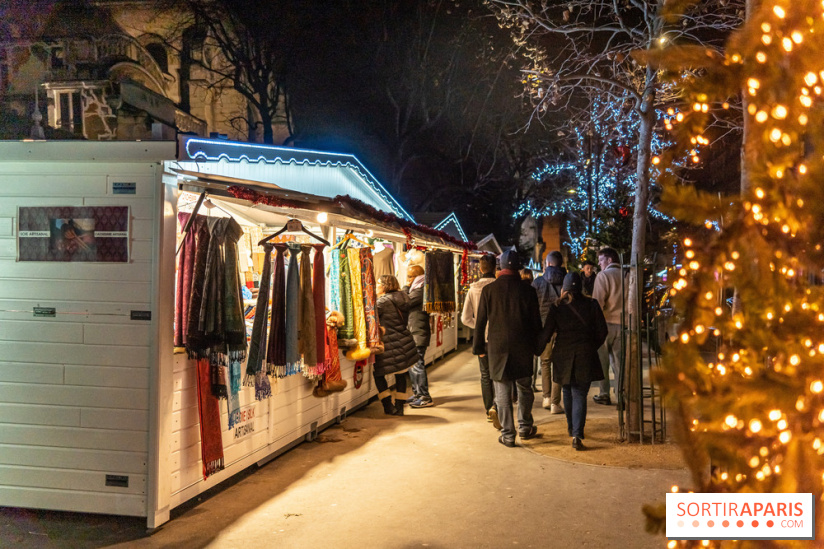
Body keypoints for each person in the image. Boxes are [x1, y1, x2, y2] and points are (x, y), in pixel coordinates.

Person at [472, 250, 542, 447]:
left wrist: (478, 348)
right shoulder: (528, 291)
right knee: (524, 387)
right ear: (518, 267)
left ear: (499, 267)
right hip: (523, 346)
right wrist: (537, 347)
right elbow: (536, 324)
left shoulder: (489, 290)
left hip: (497, 347)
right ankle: (525, 427)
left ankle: (508, 434)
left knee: (502, 390)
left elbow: (480, 323)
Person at [538, 272, 607, 450]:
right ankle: (577, 435)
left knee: (567, 391)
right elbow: (602, 331)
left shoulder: (556, 307)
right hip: (585, 354)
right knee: (580, 394)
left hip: (562, 355)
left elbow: (547, 333)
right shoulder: (592, 304)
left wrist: (536, 349)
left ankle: (571, 428)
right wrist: (591, 346)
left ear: (564, 288)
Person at [461, 254, 500, 428]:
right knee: (498, 373)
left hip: (482, 338)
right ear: (495, 268)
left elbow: (465, 318)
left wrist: (478, 327)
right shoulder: (498, 287)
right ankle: (498, 405)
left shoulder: (473, 289)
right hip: (498, 337)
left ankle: (488, 409)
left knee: (485, 375)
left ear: (480, 269)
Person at [374, 274, 419, 416]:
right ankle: (399, 407)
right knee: (400, 373)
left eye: (378, 283)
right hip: (403, 340)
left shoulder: (382, 302)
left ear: (385, 286)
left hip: (389, 342)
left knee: (378, 373)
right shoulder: (403, 297)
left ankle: (388, 406)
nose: (376, 286)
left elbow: (371, 318)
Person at [531, 250, 566, 413]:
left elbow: (532, 306)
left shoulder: (538, 282)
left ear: (548, 264)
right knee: (559, 364)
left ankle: (546, 397)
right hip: (562, 328)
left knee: (545, 363)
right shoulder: (567, 281)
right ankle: (555, 403)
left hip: (543, 328)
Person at [591, 247, 624, 406]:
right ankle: (621, 395)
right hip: (623, 323)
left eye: (601, 260)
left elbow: (597, 303)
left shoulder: (603, 276)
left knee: (602, 361)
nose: (599, 264)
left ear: (609, 260)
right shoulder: (627, 275)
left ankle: (604, 393)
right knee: (619, 363)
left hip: (605, 324)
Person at [404, 264, 434, 408]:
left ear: (417, 276)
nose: (407, 279)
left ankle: (424, 396)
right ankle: (417, 394)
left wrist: (405, 287)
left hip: (418, 333)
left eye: (409, 276)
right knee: (413, 365)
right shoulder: (417, 288)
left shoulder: (420, 290)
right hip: (415, 332)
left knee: (417, 365)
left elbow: (406, 302)